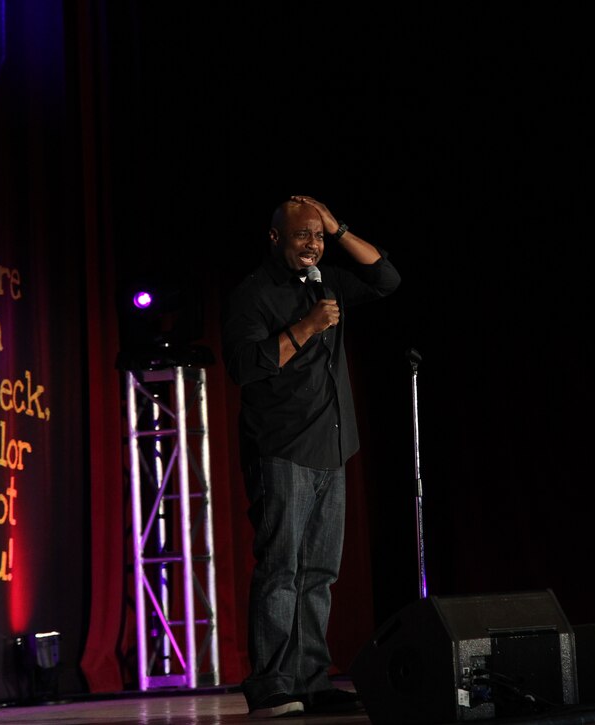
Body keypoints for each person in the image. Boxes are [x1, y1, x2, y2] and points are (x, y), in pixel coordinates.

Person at [221, 195, 401, 718]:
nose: (313, 245)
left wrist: (339, 225)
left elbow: (386, 278)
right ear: (275, 238)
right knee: (282, 568)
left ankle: (311, 678)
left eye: (318, 236)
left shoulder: (326, 282)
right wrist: (305, 328)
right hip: (281, 450)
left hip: (331, 446)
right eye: (303, 235)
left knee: (319, 572)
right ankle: (272, 685)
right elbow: (245, 366)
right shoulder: (252, 295)